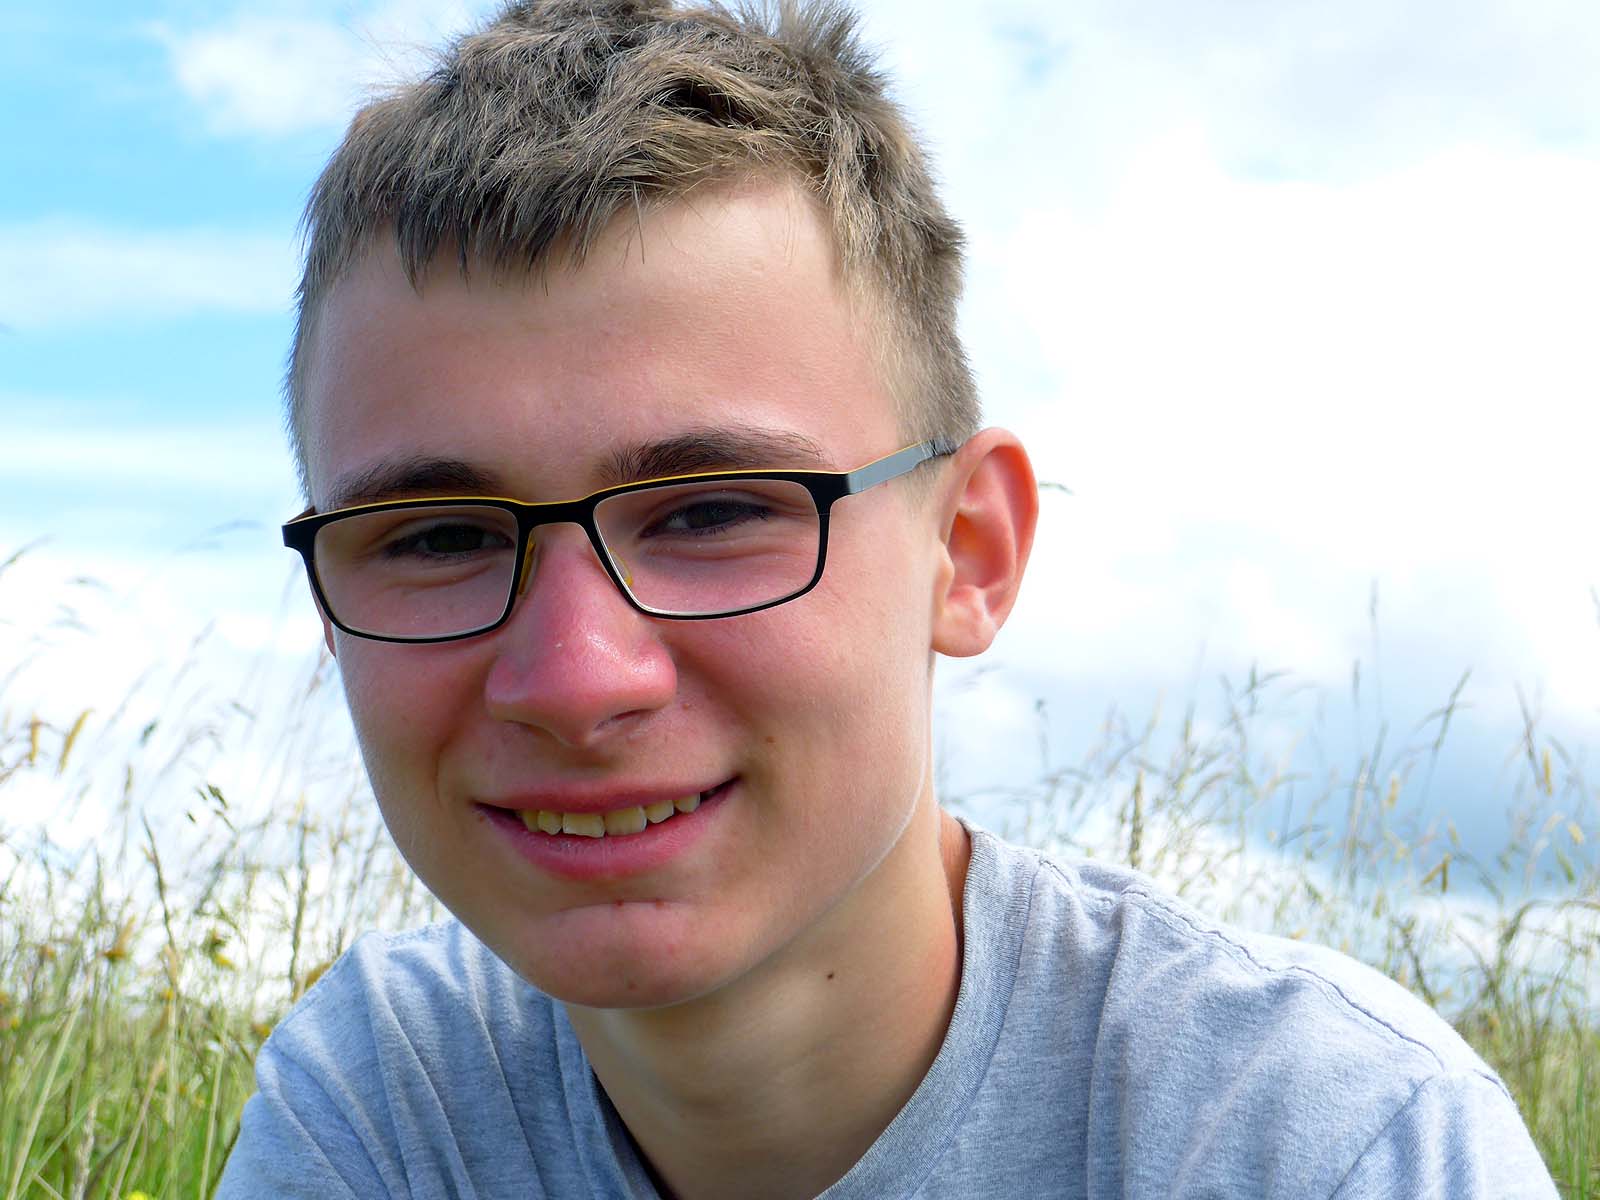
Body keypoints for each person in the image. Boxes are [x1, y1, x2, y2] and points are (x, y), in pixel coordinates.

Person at [220, 1, 1557, 1196]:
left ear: (968, 552)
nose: (575, 678)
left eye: (713, 513)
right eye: (438, 537)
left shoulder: (1325, 1145)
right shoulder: (385, 1108)